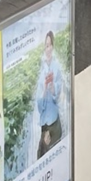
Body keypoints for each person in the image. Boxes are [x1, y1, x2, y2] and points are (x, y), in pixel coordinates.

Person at [35, 29, 64, 157]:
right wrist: (44, 90)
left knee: (57, 154)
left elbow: (59, 97)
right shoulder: (40, 69)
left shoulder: (56, 67)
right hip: (45, 125)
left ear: (53, 46)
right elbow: (39, 106)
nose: (48, 49)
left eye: (50, 45)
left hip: (54, 122)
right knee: (41, 156)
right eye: (46, 46)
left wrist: (53, 89)